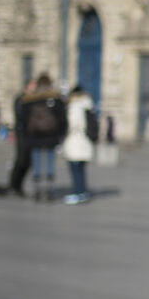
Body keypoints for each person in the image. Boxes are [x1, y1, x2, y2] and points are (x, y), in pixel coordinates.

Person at [19, 74, 66, 202]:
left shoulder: (30, 99)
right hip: (51, 136)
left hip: (34, 136)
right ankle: (49, 190)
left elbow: (23, 119)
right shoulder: (55, 99)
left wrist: (26, 135)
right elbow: (62, 119)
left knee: (37, 162)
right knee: (50, 161)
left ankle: (37, 190)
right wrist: (61, 134)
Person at [61, 85, 94, 205]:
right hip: (85, 142)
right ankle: (82, 192)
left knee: (75, 170)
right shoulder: (88, 106)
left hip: (76, 142)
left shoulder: (74, 107)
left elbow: (73, 125)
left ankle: (78, 192)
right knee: (81, 170)